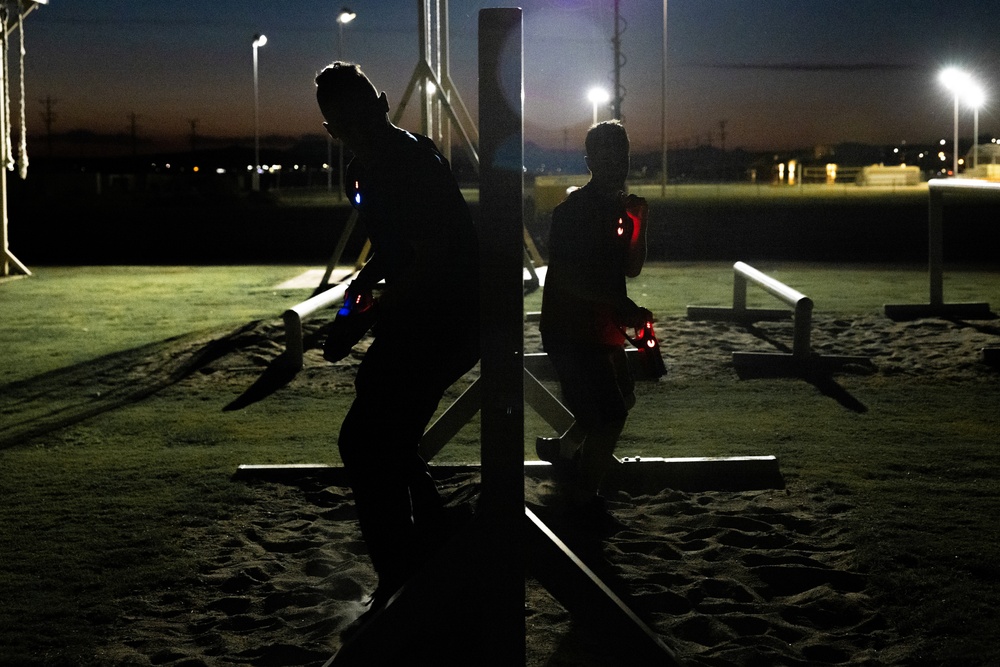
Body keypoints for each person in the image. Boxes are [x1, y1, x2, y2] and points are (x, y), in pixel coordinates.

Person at [315, 62, 480, 608]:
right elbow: (390, 251)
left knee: (365, 439)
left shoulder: (415, 164)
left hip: (451, 318)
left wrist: (365, 315)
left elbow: (432, 262)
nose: (355, 135)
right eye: (342, 128)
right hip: (420, 318)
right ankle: (429, 542)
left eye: (360, 119)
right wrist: (360, 290)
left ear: (383, 104)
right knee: (382, 424)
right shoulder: (365, 171)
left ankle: (402, 569)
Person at [537, 119, 651, 522]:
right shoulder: (573, 212)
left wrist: (638, 223)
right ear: (588, 160)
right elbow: (567, 280)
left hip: (602, 325)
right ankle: (582, 497)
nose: (615, 164)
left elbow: (632, 268)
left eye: (621, 155)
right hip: (570, 327)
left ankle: (563, 451)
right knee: (610, 414)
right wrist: (619, 304)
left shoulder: (621, 207)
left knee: (620, 399)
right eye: (605, 156)